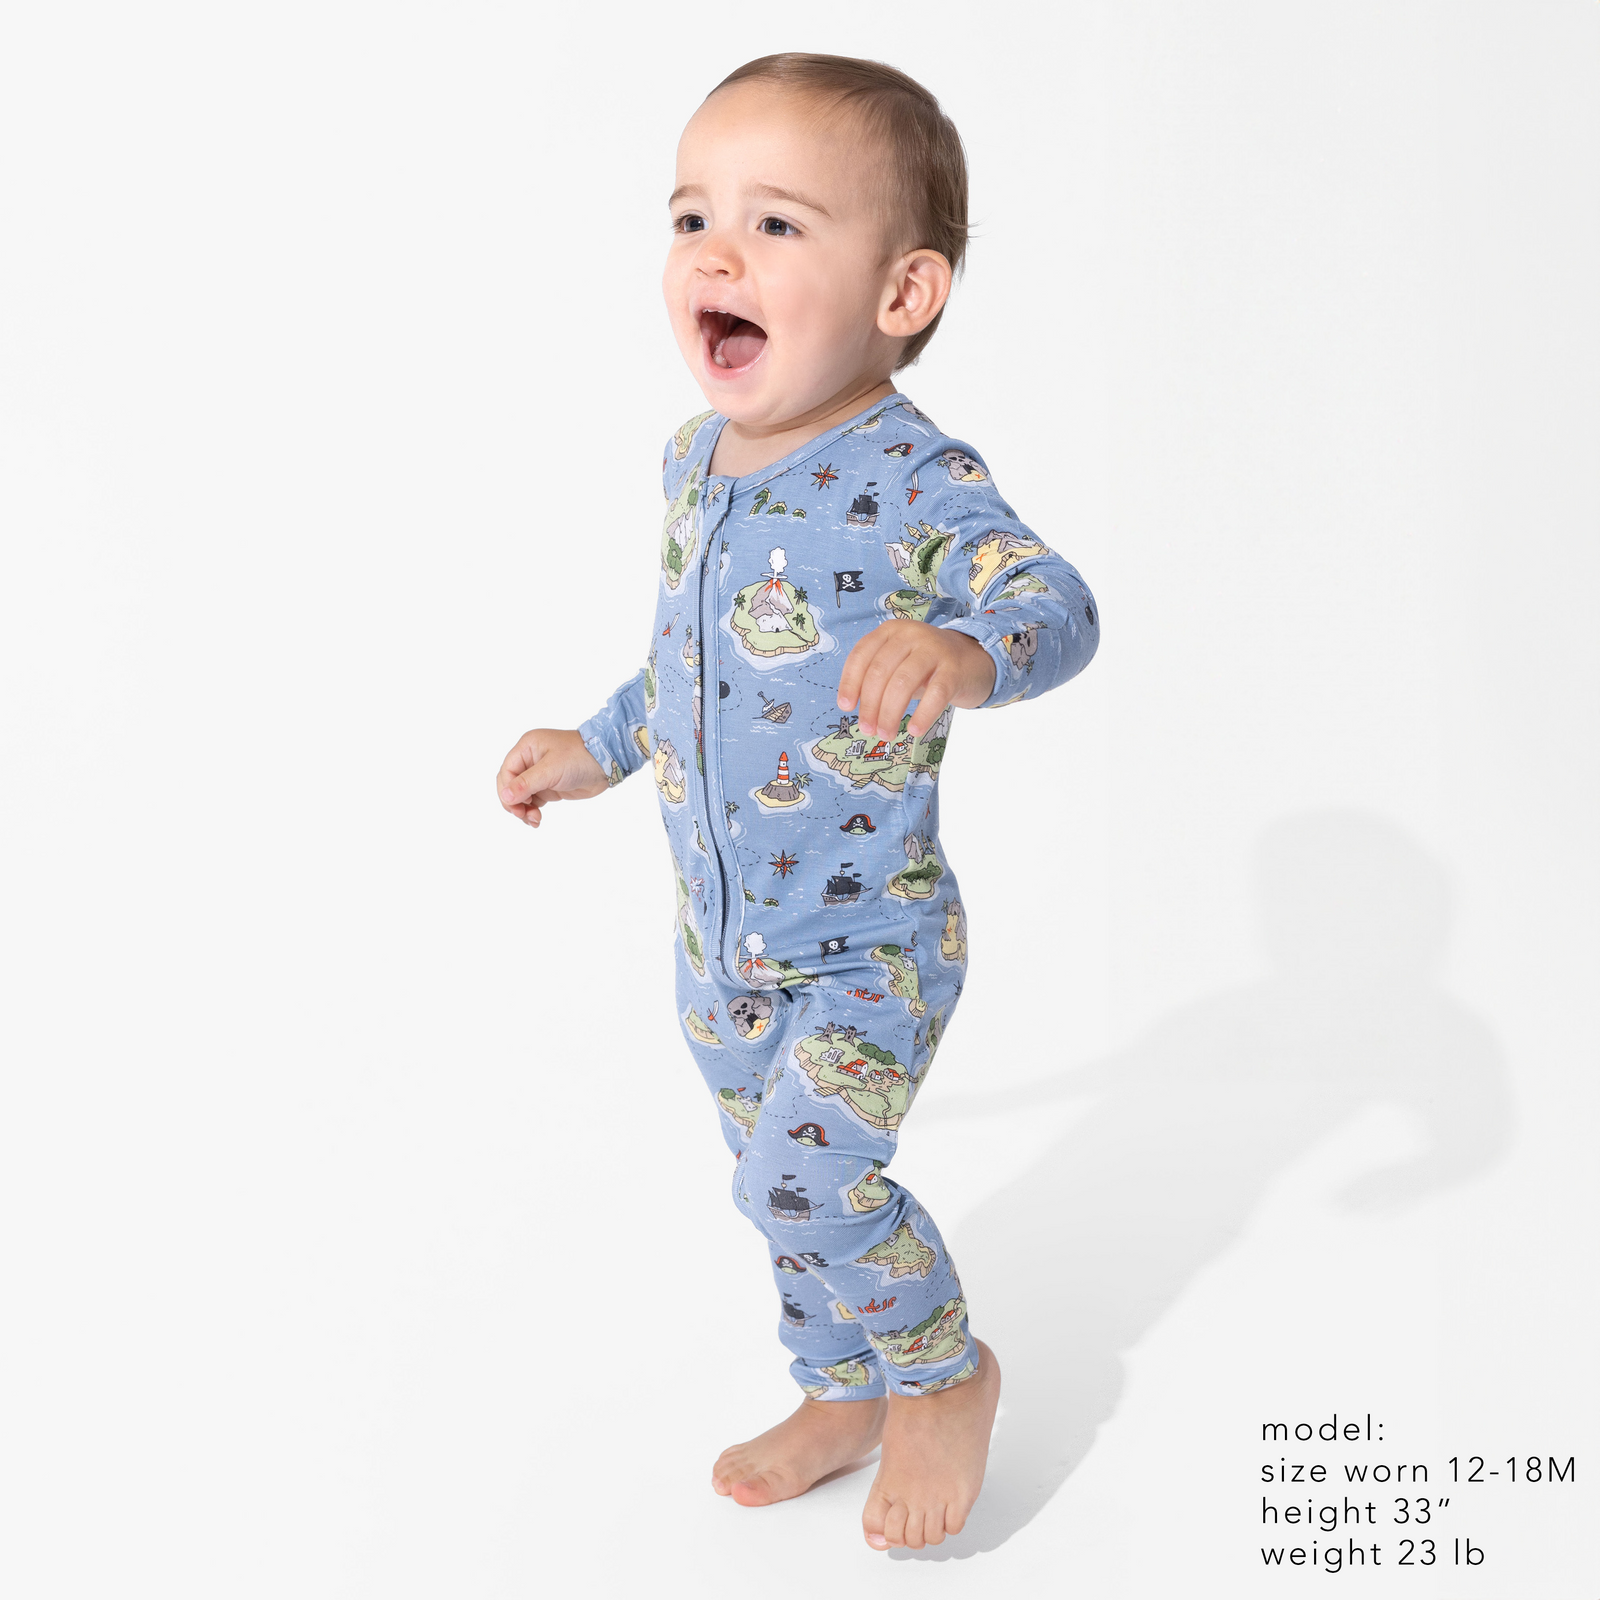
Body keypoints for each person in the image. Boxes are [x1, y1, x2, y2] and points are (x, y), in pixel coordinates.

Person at [496, 53, 1099, 1551]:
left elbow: (1059, 603)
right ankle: (840, 1389)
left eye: (775, 224)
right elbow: (691, 667)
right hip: (719, 946)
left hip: (866, 946)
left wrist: (967, 651)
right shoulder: (691, 462)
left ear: (902, 292)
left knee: (808, 1178)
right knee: (767, 1189)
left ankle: (942, 1377)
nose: (716, 253)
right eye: (691, 216)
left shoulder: (915, 477)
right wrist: (596, 746)